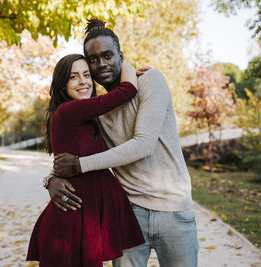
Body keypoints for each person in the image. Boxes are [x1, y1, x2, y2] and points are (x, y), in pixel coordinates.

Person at [48, 18, 199, 267]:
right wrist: (51, 180)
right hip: (128, 213)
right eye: (93, 60)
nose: (101, 64)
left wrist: (79, 165)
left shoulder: (150, 81)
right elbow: (73, 151)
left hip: (173, 210)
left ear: (121, 55)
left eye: (108, 56)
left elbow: (143, 144)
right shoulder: (95, 108)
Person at [26, 54, 145, 267]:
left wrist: (49, 180)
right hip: (73, 217)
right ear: (62, 85)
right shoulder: (69, 110)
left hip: (85, 215)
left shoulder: (86, 114)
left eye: (87, 74)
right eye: (74, 77)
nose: (83, 81)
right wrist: (124, 63)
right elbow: (128, 91)